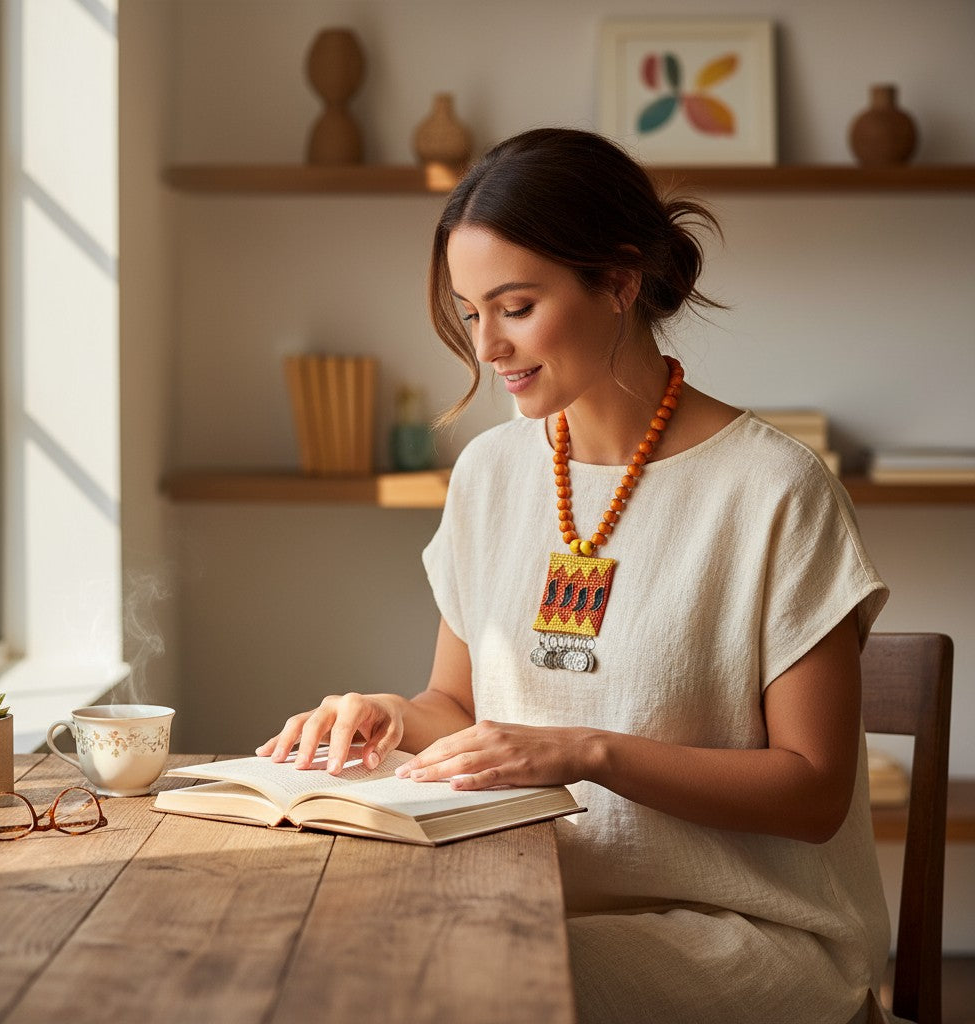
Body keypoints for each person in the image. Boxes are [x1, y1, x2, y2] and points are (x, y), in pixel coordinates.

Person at [257, 127, 891, 1024]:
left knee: (462, 992)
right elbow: (457, 705)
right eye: (471, 312)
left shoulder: (775, 489)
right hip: (523, 893)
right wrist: (389, 718)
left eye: (515, 306)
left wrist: (585, 751)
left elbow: (815, 790)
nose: (487, 348)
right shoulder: (490, 472)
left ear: (620, 281)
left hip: (746, 936)